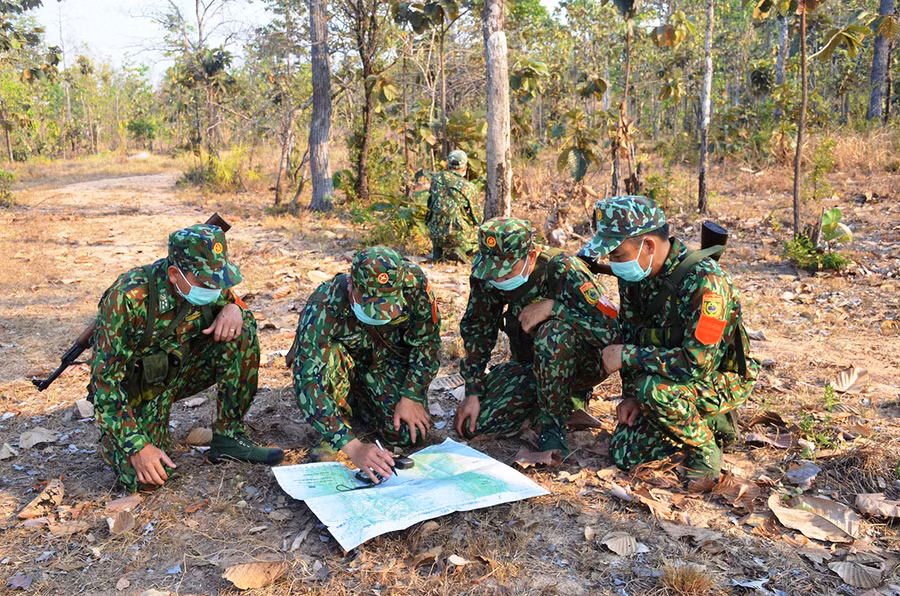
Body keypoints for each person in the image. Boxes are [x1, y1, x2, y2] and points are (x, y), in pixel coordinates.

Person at [90, 224, 284, 492]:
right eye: (206, 282)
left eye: (219, 280)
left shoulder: (209, 281)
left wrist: (234, 309)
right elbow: (104, 383)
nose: (214, 288)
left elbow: (234, 302)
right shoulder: (128, 298)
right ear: (173, 274)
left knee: (241, 333)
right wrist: (137, 447)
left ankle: (229, 437)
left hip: (179, 372)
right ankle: (138, 435)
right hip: (141, 391)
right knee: (146, 481)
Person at [579, 195, 759, 481]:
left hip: (719, 378)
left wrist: (628, 358)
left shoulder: (706, 283)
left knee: (654, 391)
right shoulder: (635, 277)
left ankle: (703, 448)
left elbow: (697, 363)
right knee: (625, 453)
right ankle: (704, 420)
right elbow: (633, 333)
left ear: (648, 245)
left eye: (617, 255)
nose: (613, 264)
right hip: (665, 374)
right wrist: (630, 396)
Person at [453, 218, 620, 456]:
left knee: (552, 333)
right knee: (478, 424)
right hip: (531, 365)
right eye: (492, 272)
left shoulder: (563, 269)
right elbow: (477, 330)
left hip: (582, 365)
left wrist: (556, 309)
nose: (498, 279)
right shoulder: (487, 273)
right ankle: (555, 401)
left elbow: (612, 331)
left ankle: (553, 424)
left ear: (530, 256)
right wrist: (473, 391)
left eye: (506, 271)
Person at [290, 247, 440, 483]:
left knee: (407, 435)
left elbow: (427, 342)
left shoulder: (415, 285)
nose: (379, 314)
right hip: (340, 368)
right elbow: (308, 382)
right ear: (351, 286)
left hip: (382, 367)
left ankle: (362, 405)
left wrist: (411, 394)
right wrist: (354, 448)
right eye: (370, 304)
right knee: (330, 359)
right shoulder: (324, 303)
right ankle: (335, 429)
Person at [426, 149, 481, 263]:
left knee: (439, 218)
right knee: (482, 236)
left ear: (448, 164)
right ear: (465, 167)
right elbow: (478, 218)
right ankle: (460, 250)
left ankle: (438, 253)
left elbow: (431, 203)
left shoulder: (436, 178)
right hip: (457, 236)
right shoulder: (469, 187)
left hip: (435, 232)